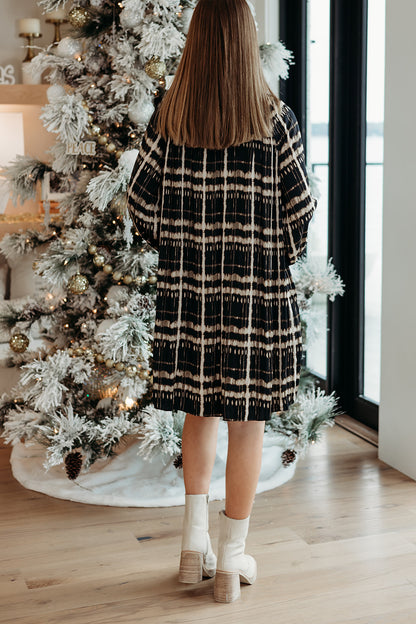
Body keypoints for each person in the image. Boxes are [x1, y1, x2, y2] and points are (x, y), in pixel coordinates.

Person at [126, 0, 317, 604]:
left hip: (188, 300)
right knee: (248, 423)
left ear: (197, 42)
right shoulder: (275, 119)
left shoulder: (169, 119)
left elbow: (140, 204)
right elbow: (302, 209)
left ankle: (192, 548)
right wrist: (270, 253)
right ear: (246, 42)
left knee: (198, 413)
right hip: (256, 298)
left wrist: (177, 250)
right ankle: (231, 563)